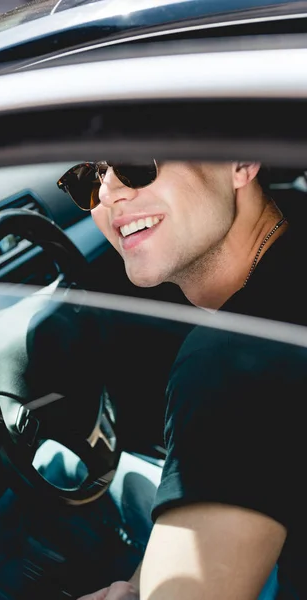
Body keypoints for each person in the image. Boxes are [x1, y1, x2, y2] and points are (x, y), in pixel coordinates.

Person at [56, 160, 307, 599]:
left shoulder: (233, 360)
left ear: (241, 162)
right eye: (90, 179)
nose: (110, 193)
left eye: (136, 162)